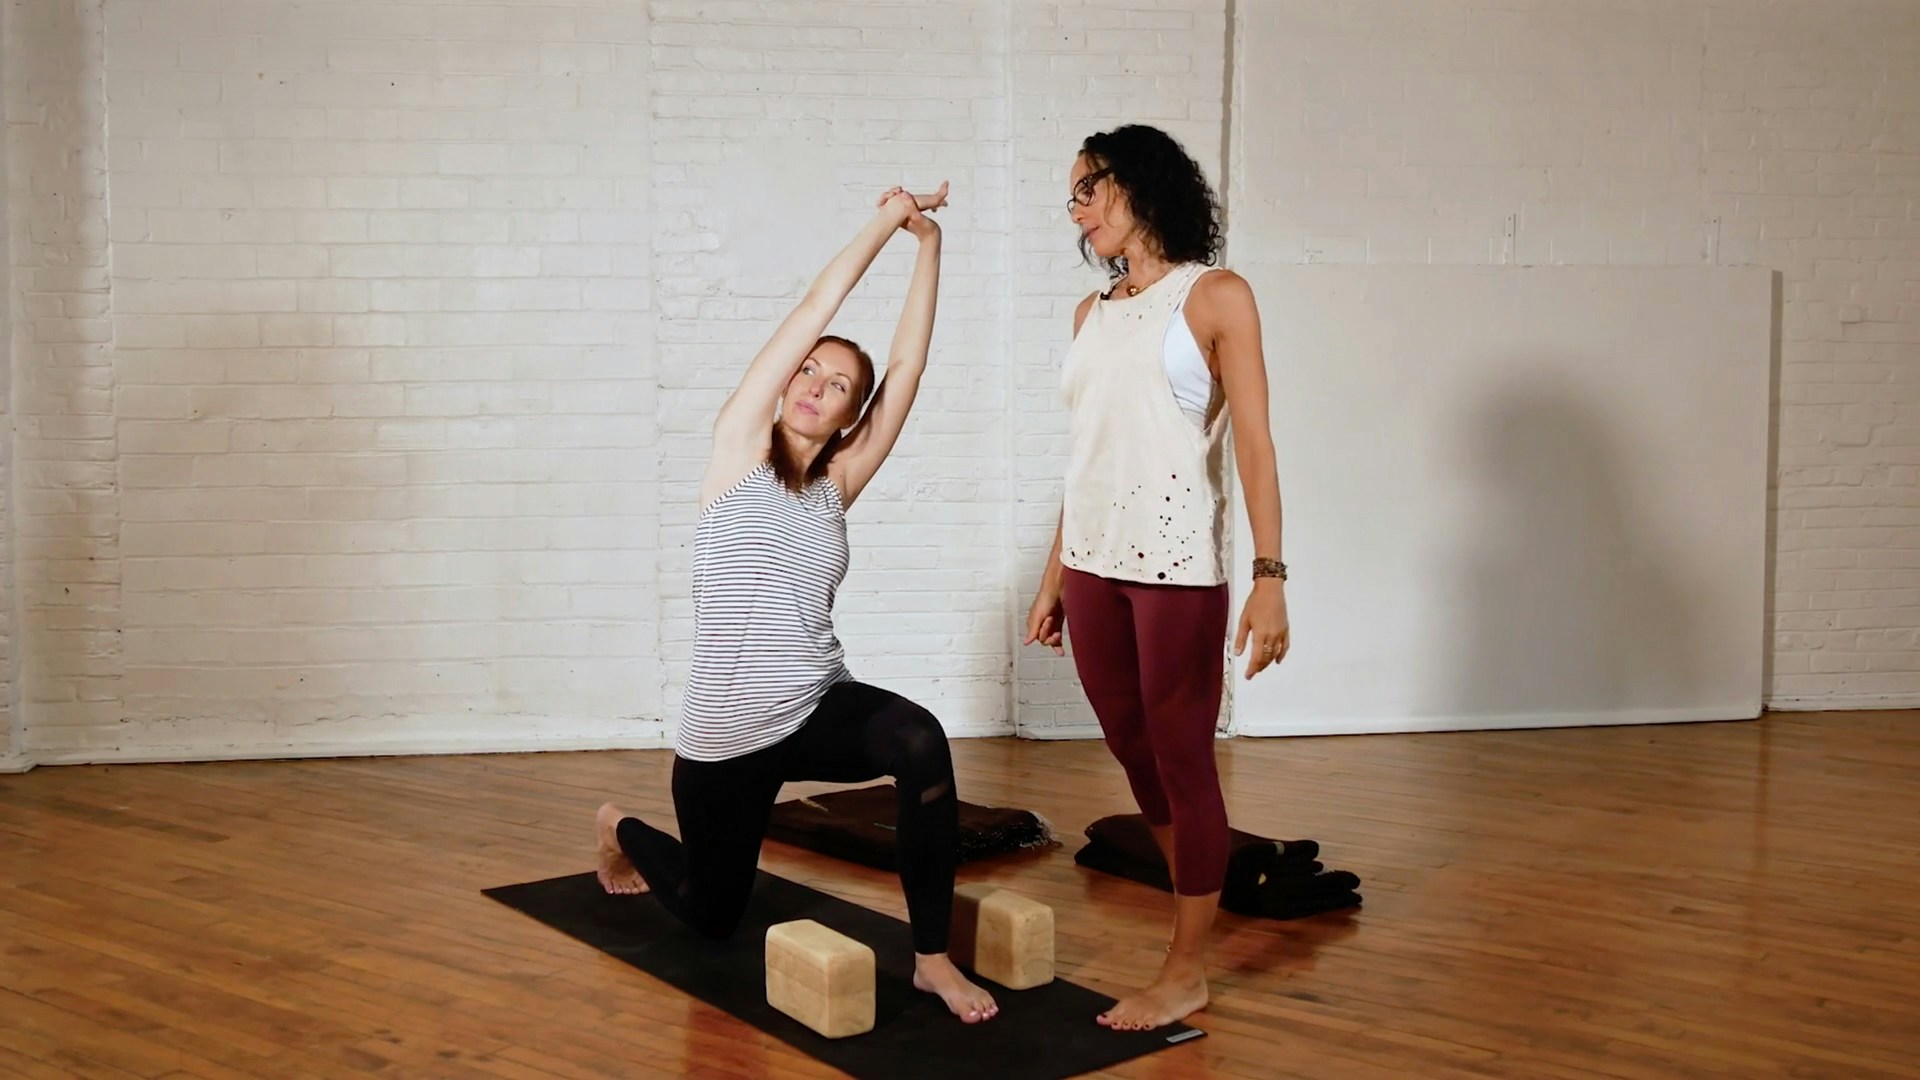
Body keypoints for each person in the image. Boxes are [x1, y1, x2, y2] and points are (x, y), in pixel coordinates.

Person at [595, 181, 1000, 1024]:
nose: (817, 384)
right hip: (724, 740)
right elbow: (820, 301)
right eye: (808, 369)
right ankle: (618, 826)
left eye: (840, 384)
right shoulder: (737, 447)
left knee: (920, 740)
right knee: (711, 915)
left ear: (851, 414)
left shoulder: (837, 484)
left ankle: (931, 961)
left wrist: (929, 245)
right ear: (784, 385)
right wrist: (889, 219)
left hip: (814, 704)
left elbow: (908, 370)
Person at [1024, 124, 1291, 1031]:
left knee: (1181, 759)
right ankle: (1195, 896)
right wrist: (1054, 577)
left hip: (1176, 568)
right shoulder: (1090, 313)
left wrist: (1268, 575)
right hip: (1092, 564)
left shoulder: (1215, 296)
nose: (1077, 210)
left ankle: (1186, 969)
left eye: (1088, 188)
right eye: (1071, 195)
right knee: (1130, 747)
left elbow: (1254, 444)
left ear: (1139, 184)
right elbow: (1085, 456)